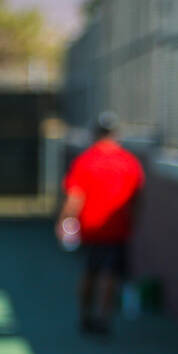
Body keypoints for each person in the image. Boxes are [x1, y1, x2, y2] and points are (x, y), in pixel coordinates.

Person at [56, 111, 145, 335]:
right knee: (109, 275)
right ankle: (103, 319)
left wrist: (64, 221)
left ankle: (85, 316)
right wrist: (133, 222)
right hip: (116, 228)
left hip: (89, 228)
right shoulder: (129, 162)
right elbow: (138, 198)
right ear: (115, 133)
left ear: (96, 133)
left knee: (89, 272)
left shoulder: (86, 160)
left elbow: (74, 198)